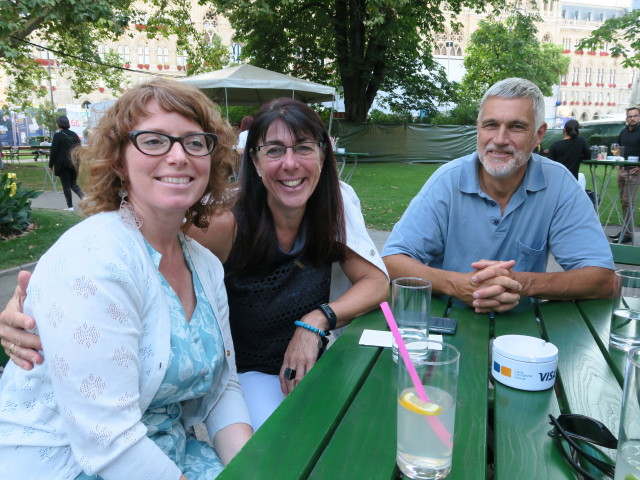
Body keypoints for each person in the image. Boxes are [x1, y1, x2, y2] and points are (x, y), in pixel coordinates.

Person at [0, 97, 390, 432]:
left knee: (367, 429)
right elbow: (134, 252)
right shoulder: (225, 225)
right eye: (273, 150)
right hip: (246, 378)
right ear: (253, 161)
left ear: (324, 153)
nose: (290, 163)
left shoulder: (333, 205)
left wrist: (318, 319)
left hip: (313, 370)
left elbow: (376, 281)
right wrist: (28, 307)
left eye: (304, 147)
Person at [0, 78, 252, 479]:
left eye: (194, 142)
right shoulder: (94, 258)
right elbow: (109, 441)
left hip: (171, 455)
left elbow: (224, 388)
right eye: (153, 141)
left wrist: (253, 469)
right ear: (119, 161)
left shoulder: (204, 264)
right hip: (74, 465)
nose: (178, 156)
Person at [382, 77, 614, 314]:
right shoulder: (448, 180)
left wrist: (521, 284)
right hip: (448, 322)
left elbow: (603, 280)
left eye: (516, 126)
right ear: (478, 128)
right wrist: (458, 285)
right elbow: (392, 261)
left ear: (538, 134)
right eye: (490, 125)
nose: (500, 139)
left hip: (525, 335)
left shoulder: (559, 183)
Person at [609, 107, 640, 244]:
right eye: (630, 116)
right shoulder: (623, 132)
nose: (632, 118)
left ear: (639, 117)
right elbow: (618, 149)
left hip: (634, 171)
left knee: (628, 202)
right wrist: (618, 161)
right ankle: (626, 230)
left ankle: (628, 233)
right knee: (623, 201)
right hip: (622, 171)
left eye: (635, 116)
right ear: (626, 118)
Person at [49, 116, 84, 210]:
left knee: (66, 186)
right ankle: (84, 198)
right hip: (74, 162)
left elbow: (54, 151)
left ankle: (70, 207)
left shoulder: (58, 136)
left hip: (63, 164)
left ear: (59, 124)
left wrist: (50, 165)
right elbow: (79, 149)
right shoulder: (74, 135)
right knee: (73, 184)